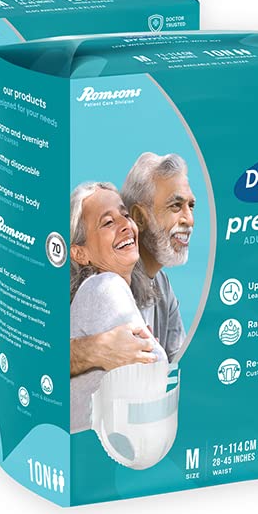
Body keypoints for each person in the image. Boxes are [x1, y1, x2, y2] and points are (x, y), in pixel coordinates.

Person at [68, 182, 166, 432]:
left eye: (125, 215)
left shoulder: (97, 294)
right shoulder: (103, 287)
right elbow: (154, 371)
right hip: (102, 444)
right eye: (108, 222)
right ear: (80, 254)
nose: (125, 225)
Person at [121, 152, 195, 364]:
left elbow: (180, 361)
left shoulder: (162, 284)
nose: (189, 220)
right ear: (139, 217)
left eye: (191, 206)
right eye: (175, 206)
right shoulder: (111, 281)